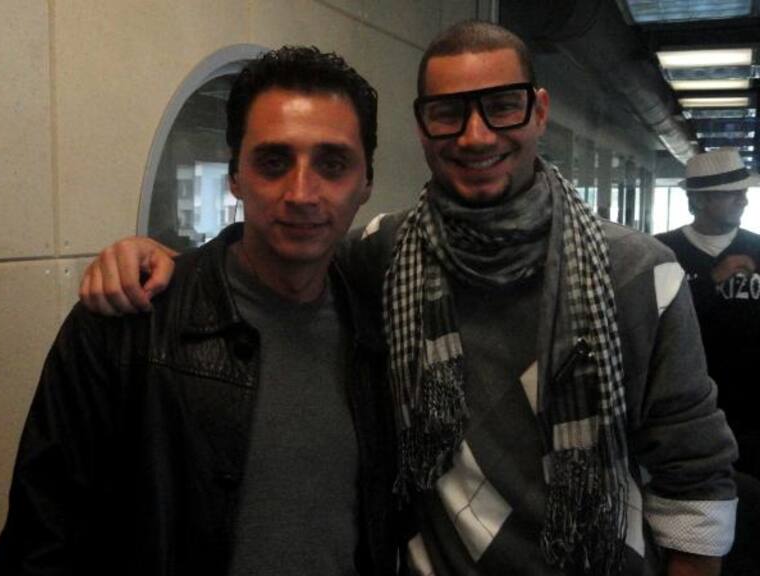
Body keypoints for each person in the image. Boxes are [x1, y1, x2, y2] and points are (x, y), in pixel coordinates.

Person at [75, 21, 738, 576]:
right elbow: (282, 247)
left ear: (538, 111)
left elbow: (695, 480)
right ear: (423, 130)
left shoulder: (637, 272)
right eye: (449, 113)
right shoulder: (386, 254)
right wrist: (166, 261)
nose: (475, 136)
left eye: (501, 105)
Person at [0, 46, 398, 576]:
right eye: (273, 162)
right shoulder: (128, 326)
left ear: (366, 182)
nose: (302, 193)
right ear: (235, 177)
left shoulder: (383, 331)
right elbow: (40, 546)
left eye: (333, 164)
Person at [656, 147, 760, 479]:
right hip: (684, 402)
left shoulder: (757, 249)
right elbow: (652, 318)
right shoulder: (662, 251)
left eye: (743, 192)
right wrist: (712, 279)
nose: (743, 200)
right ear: (700, 200)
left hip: (751, 405)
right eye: (732, 194)